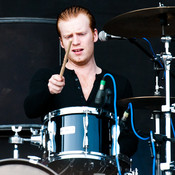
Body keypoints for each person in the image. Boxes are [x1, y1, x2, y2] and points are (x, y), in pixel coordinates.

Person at [24, 5, 138, 174]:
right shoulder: (47, 77)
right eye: (68, 36)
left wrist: (112, 162)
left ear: (94, 35)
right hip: (59, 170)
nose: (75, 42)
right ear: (62, 43)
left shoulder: (118, 83)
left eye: (81, 34)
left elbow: (130, 137)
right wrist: (48, 91)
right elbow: (30, 109)